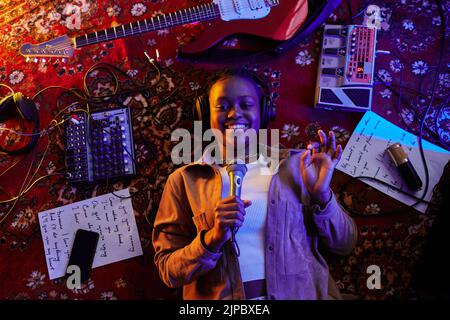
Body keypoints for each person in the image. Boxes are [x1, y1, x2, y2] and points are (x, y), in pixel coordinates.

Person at [152, 67, 357, 300]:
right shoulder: (184, 181)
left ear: (264, 111)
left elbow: (345, 244)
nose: (234, 114)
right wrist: (212, 239)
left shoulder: (298, 167)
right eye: (222, 106)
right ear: (204, 114)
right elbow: (168, 271)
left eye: (246, 105)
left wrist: (321, 195)